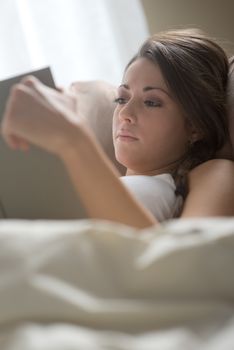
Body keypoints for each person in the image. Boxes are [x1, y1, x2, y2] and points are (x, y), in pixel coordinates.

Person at [1, 29, 234, 228]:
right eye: (122, 99)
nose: (125, 113)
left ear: (195, 127)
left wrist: (75, 143)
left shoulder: (215, 173)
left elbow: (188, 263)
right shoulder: (90, 181)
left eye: (151, 102)